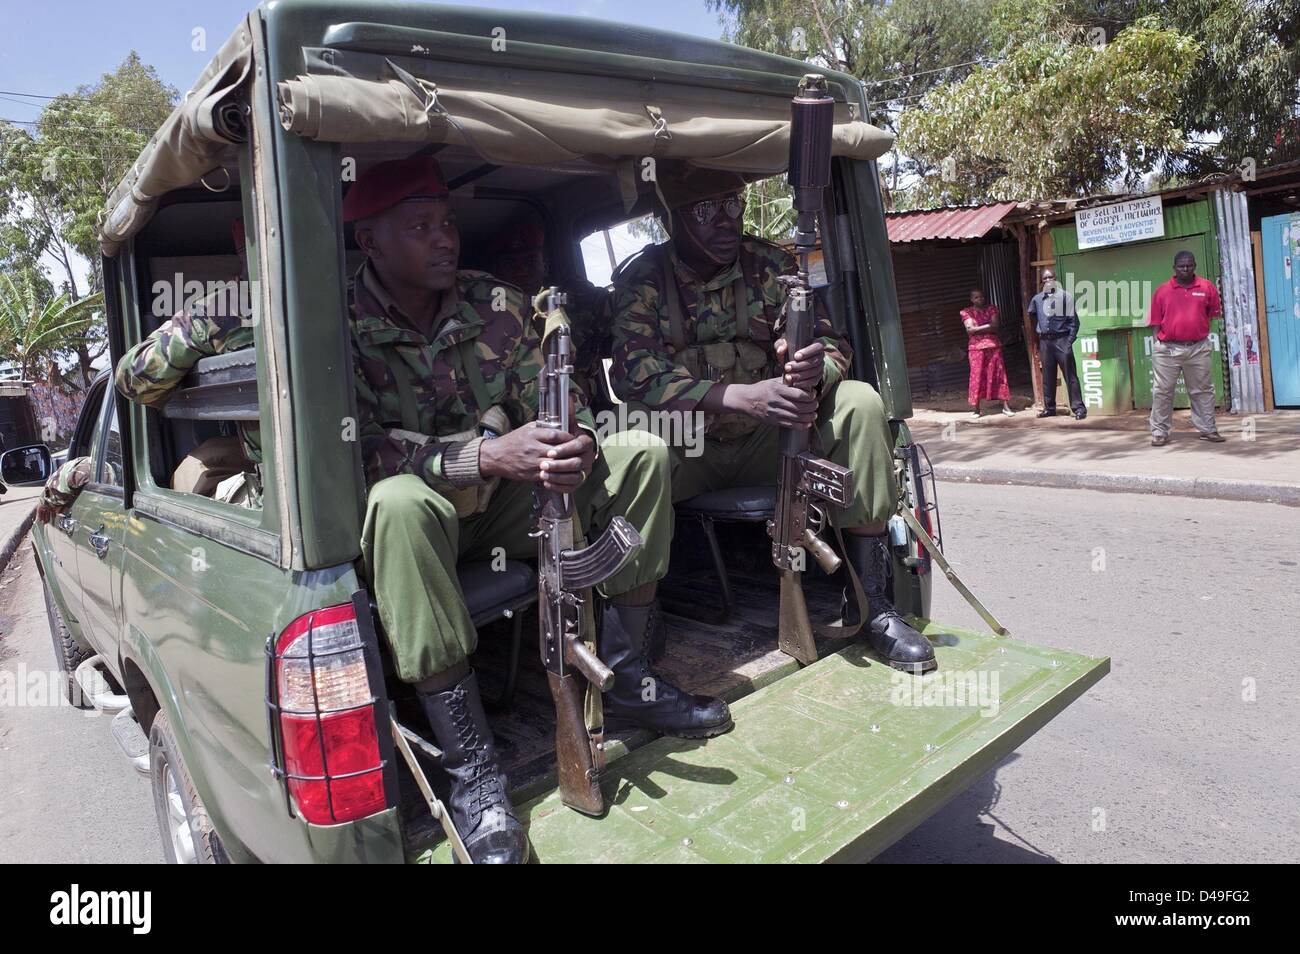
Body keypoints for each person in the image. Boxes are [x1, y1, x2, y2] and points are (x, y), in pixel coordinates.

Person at [346, 157, 730, 863]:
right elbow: (356, 451)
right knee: (398, 505)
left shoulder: (496, 304)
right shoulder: (335, 324)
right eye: (420, 227)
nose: (444, 240)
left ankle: (628, 674)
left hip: (503, 504)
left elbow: (557, 399)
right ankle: (475, 775)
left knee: (642, 451)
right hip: (419, 515)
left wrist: (574, 441)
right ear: (370, 242)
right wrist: (483, 457)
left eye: (448, 223)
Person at [610, 165, 936, 675]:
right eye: (704, 210)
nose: (725, 221)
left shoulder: (769, 265)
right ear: (673, 219)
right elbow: (636, 378)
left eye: (733, 204)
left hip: (770, 440)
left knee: (859, 402)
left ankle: (873, 607)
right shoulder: (643, 279)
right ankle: (636, 637)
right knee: (631, 449)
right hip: (686, 447)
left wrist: (813, 367)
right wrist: (738, 396)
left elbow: (833, 345)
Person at [37, 218, 256, 521]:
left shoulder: (229, 306)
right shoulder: (345, 296)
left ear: (243, 256)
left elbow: (132, 379)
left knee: (193, 475)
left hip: (272, 504)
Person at [483, 218, 611, 407]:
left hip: (588, 408)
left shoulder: (577, 300)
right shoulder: (491, 320)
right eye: (511, 264)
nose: (522, 272)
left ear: (545, 264)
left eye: (530, 261)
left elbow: (618, 332)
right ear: (496, 271)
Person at [1147, 250, 1224, 446]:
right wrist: (1159, 344)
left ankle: (1208, 429)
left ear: (1195, 266)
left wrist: (1198, 334)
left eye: (1189, 265)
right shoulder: (1162, 291)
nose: (1185, 269)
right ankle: (1159, 432)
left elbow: (1212, 314)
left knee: (1203, 391)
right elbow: (1156, 322)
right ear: (1174, 268)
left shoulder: (1206, 287)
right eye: (1181, 266)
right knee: (1162, 391)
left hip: (1198, 348)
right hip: (1167, 350)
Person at [1028, 268, 1085, 420]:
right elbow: (1032, 318)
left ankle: (1079, 408)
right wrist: (1038, 340)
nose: (1047, 281)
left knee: (1070, 376)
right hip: (1045, 342)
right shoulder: (1037, 300)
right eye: (1045, 279)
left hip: (1062, 340)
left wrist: (1069, 342)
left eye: (1050, 277)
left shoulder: (1066, 297)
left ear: (1055, 278)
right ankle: (1050, 408)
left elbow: (1074, 323)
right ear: (1042, 281)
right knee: (1048, 376)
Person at [960, 288, 1013, 417]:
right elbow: (969, 330)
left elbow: (995, 326)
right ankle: (976, 409)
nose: (980, 299)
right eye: (976, 297)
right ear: (972, 299)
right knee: (977, 377)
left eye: (981, 297)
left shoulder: (992, 309)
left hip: (993, 346)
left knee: (999, 375)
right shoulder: (966, 312)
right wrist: (987, 326)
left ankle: (1005, 406)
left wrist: (977, 328)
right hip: (976, 349)